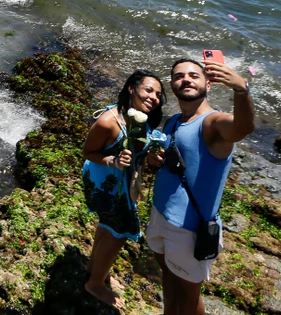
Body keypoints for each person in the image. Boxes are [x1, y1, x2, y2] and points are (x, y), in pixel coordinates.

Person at [149, 58, 255, 315]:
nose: (186, 79)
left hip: (189, 229)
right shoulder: (173, 121)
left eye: (194, 75)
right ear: (172, 85)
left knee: (189, 292)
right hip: (160, 213)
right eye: (179, 76)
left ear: (208, 83)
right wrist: (155, 161)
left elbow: (242, 127)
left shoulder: (212, 123)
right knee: (168, 274)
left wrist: (241, 90)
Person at [81, 70, 165, 308]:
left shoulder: (141, 118)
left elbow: (138, 153)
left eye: (158, 94)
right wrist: (114, 161)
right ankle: (95, 285)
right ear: (131, 88)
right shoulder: (109, 121)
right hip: (105, 184)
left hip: (122, 182)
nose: (154, 98)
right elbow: (88, 152)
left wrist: (150, 159)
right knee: (119, 232)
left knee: (107, 226)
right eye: (148, 90)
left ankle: (94, 270)